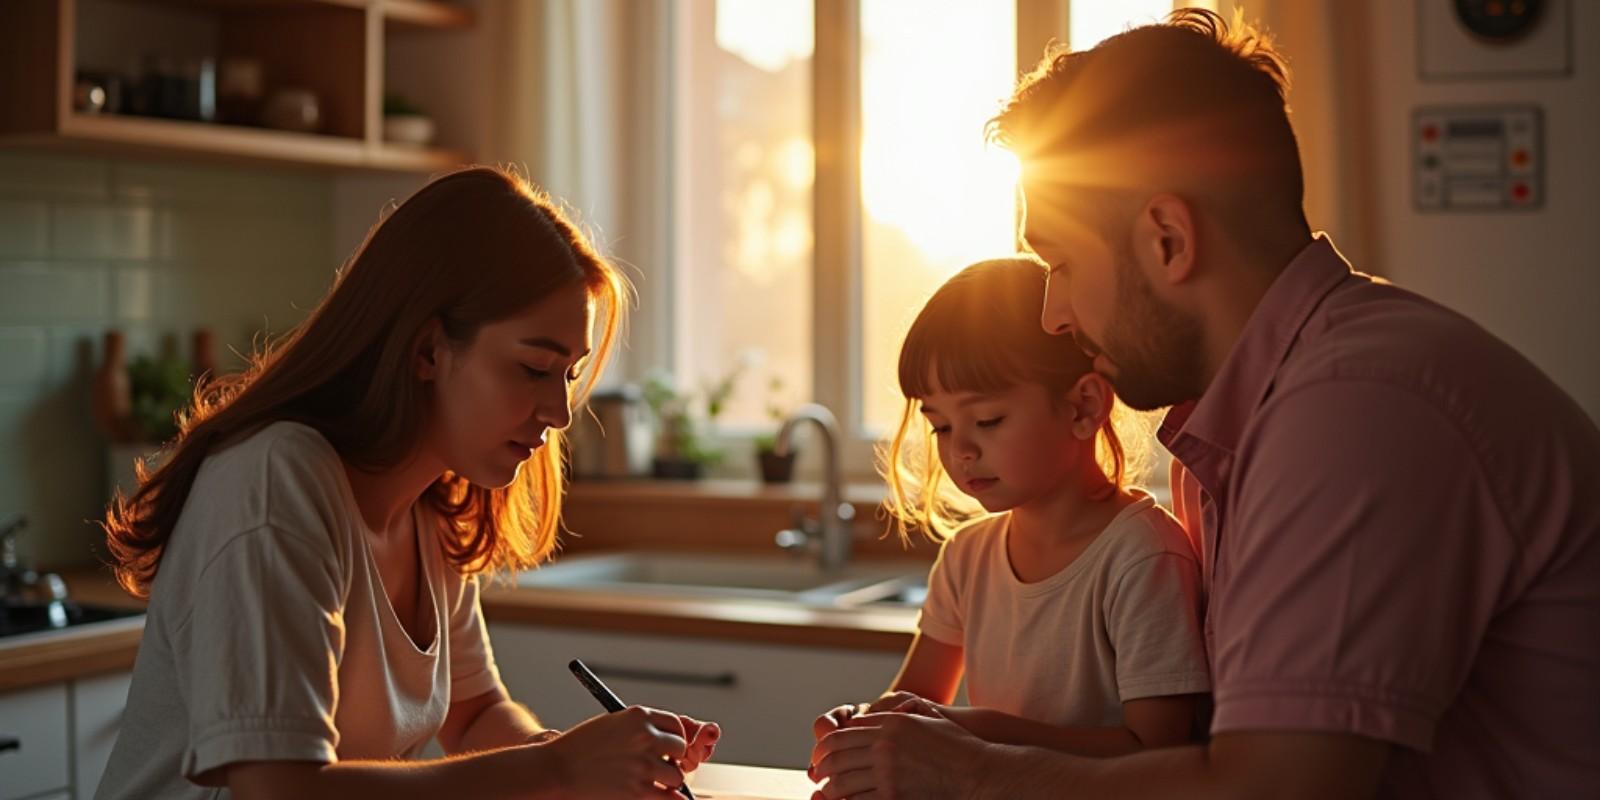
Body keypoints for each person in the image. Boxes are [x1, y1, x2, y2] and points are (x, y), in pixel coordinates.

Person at [809, 10, 1600, 798]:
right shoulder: (1241, 424)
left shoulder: (1354, 410)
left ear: (1167, 241)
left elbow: (1274, 788)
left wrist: (974, 769)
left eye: (1061, 262)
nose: (1054, 313)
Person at [96, 166, 720, 799]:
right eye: (534, 368)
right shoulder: (276, 483)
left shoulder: (433, 498)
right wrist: (557, 770)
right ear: (426, 351)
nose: (559, 414)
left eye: (568, 374)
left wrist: (584, 757)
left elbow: (474, 714)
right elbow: (279, 786)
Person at [810, 258, 1207, 760]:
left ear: (1084, 406)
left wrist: (981, 732)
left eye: (988, 420)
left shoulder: (1142, 556)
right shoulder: (966, 556)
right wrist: (865, 723)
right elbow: (917, 702)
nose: (960, 452)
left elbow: (1159, 751)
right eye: (941, 426)